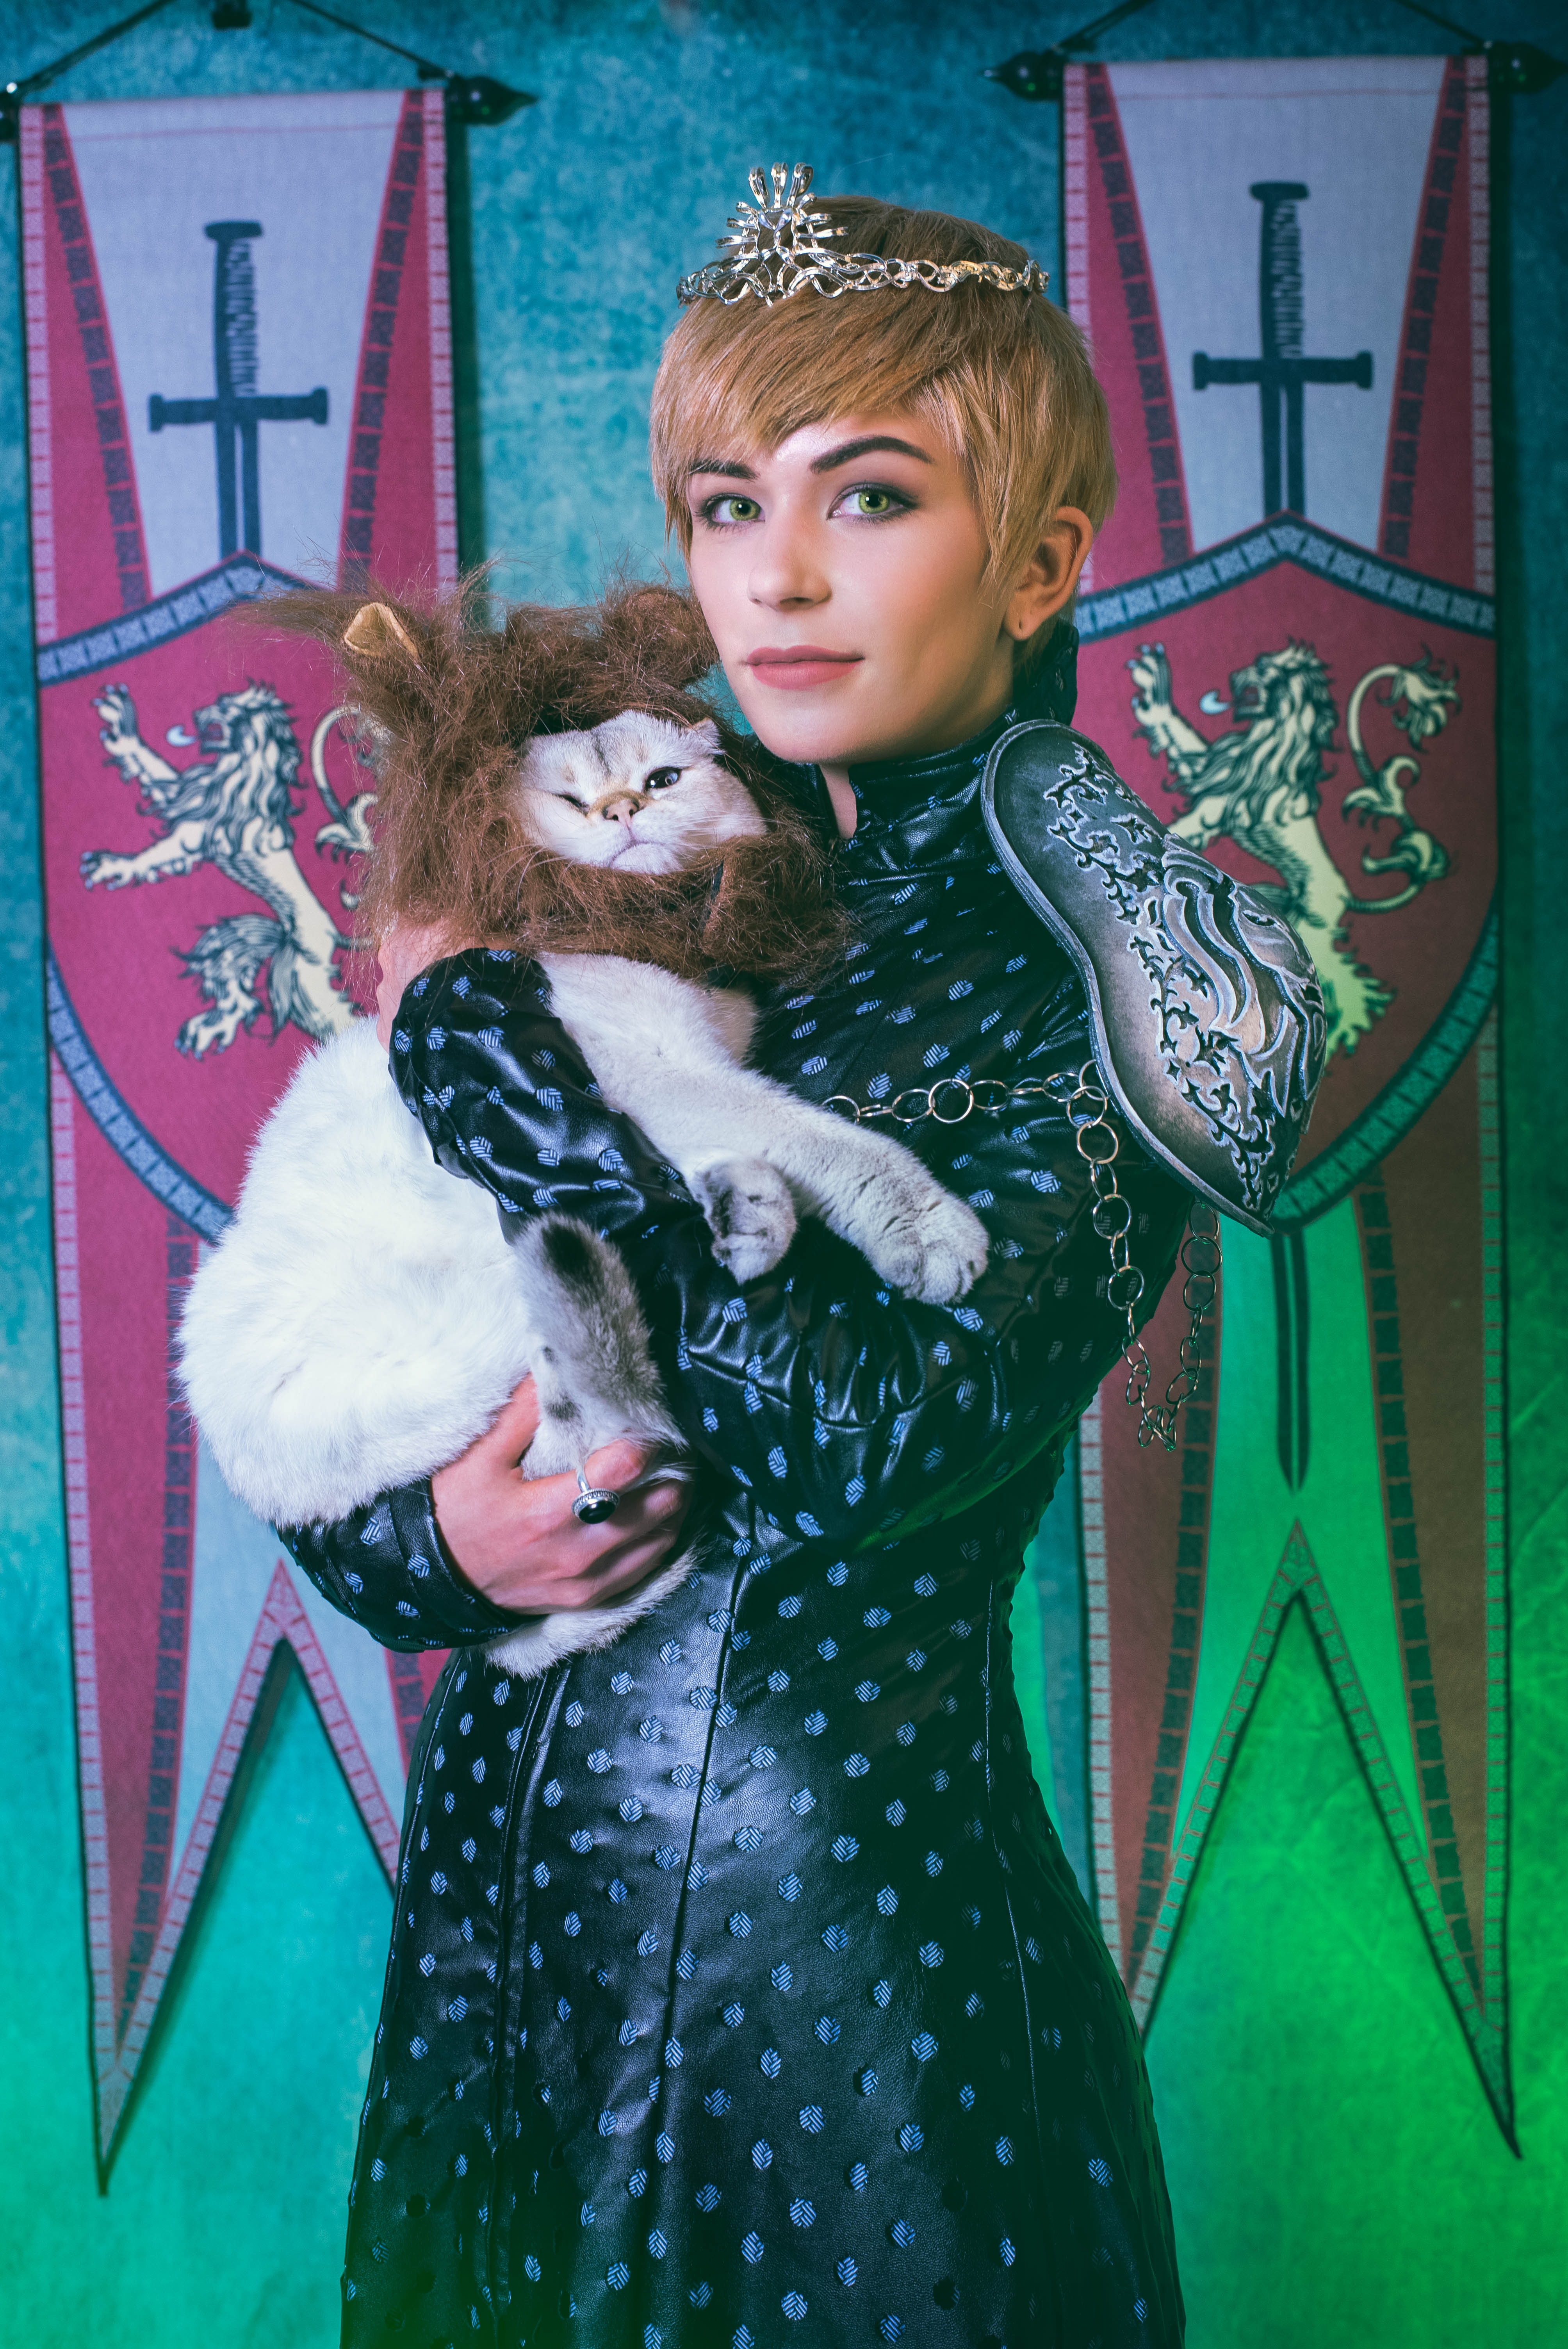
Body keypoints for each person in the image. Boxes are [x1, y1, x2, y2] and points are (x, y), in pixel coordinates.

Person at [283, 172, 1320, 2349]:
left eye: (870, 496)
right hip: (494, 1950)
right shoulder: (642, 845)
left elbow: (876, 1441)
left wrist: (533, 1100)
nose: (779, 573)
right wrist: (444, 1539)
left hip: (841, 1992)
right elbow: (378, 1341)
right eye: (728, 504)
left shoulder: (1104, 974)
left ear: (1039, 558)